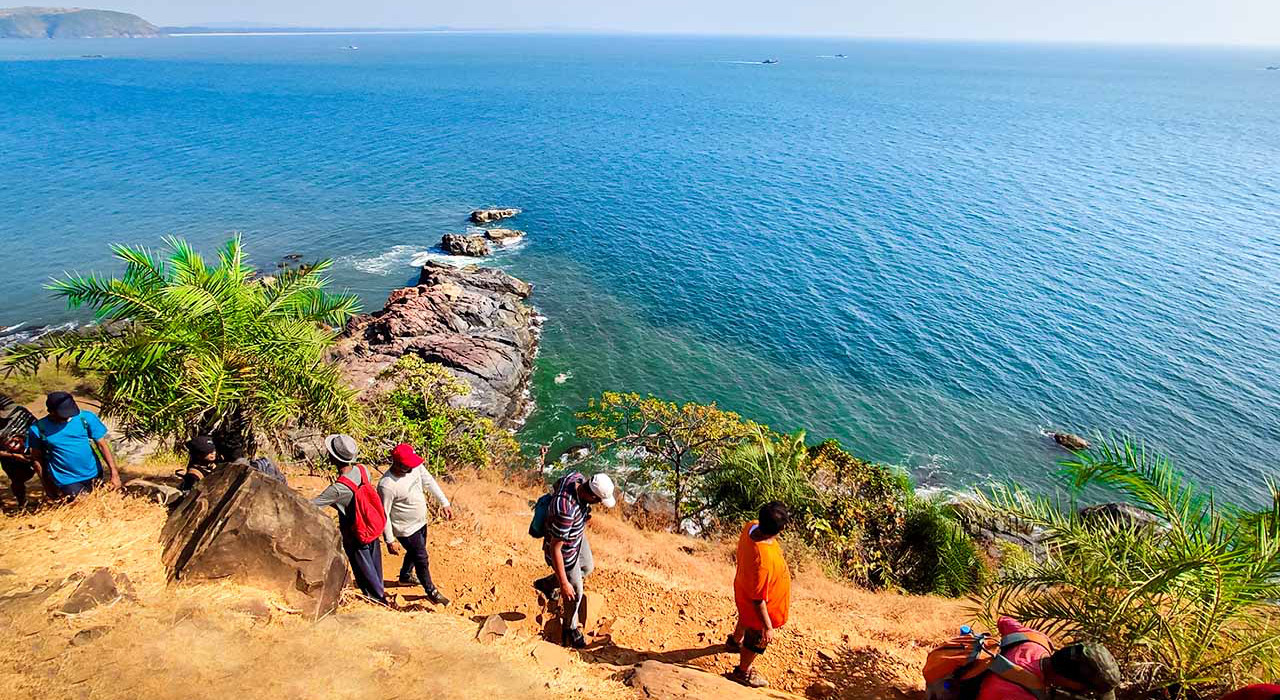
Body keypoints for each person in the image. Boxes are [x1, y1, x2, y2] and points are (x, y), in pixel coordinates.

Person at [533, 471, 616, 648]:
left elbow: (556, 485)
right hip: (565, 555)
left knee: (587, 567)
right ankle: (570, 628)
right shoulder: (566, 513)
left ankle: (547, 584)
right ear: (592, 495)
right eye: (599, 500)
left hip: (576, 540)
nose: (599, 504)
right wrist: (564, 583)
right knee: (574, 594)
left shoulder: (574, 478)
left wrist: (581, 517)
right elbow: (555, 548)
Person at [311, 434, 386, 605]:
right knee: (375, 572)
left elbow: (313, 505)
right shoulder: (363, 470)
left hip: (356, 536)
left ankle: (379, 604)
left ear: (333, 458)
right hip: (371, 528)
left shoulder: (337, 489)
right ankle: (380, 597)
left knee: (365, 576)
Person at [377, 443, 453, 606]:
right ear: (397, 463)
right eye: (408, 464)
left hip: (421, 522)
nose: (413, 465)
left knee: (416, 551)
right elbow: (384, 514)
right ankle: (431, 591)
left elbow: (429, 482)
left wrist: (444, 502)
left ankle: (405, 576)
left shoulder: (415, 467)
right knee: (421, 557)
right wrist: (389, 540)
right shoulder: (387, 485)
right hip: (405, 530)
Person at [726, 501, 792, 688]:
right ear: (780, 529)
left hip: (743, 588)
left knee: (745, 616)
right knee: (756, 638)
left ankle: (734, 641)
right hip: (760, 606)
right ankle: (742, 671)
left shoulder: (751, 526)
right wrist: (768, 627)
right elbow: (758, 601)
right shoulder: (763, 560)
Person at [976, 617, 1121, 700]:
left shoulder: (1038, 640)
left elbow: (1004, 621)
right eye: (1085, 689)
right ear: (1069, 679)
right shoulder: (1019, 694)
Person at [27, 392, 120, 499]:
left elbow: (102, 445)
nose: (68, 417)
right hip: (66, 479)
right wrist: (47, 486)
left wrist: (114, 473)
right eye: (63, 415)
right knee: (84, 503)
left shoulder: (86, 418)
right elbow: (36, 459)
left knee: (99, 502)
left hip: (94, 473)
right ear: (51, 412)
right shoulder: (37, 429)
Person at [0, 399, 37, 508]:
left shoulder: (22, 413)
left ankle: (53, 495)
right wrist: (13, 455)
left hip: (30, 449)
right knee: (16, 480)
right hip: (8, 455)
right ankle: (22, 503)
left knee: (44, 470)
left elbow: (37, 429)